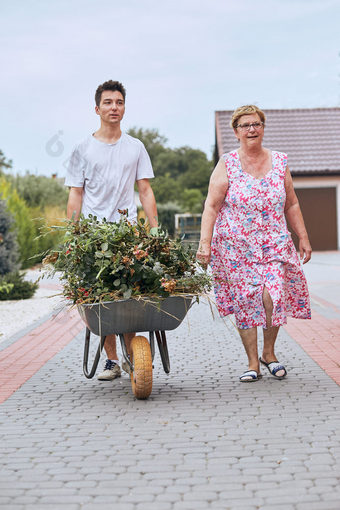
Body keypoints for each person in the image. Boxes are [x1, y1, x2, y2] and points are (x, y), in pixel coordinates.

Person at [197, 105, 311, 382]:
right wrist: (205, 244)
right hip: (236, 248)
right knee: (247, 301)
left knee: (273, 296)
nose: (251, 129)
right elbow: (211, 206)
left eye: (256, 124)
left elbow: (292, 202)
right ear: (236, 132)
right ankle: (252, 362)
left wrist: (303, 237)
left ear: (263, 128)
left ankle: (268, 353)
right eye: (245, 125)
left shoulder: (280, 161)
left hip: (274, 243)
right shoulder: (227, 164)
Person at [65, 80, 158, 381]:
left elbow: (144, 189)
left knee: (128, 295)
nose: (113, 107)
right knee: (102, 298)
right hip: (94, 235)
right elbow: (75, 193)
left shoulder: (135, 147)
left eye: (118, 102)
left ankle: (133, 355)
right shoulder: (82, 149)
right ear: (97, 108)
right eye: (108, 102)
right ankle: (112, 360)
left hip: (126, 232)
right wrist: (73, 233)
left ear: (124, 108)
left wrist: (154, 230)